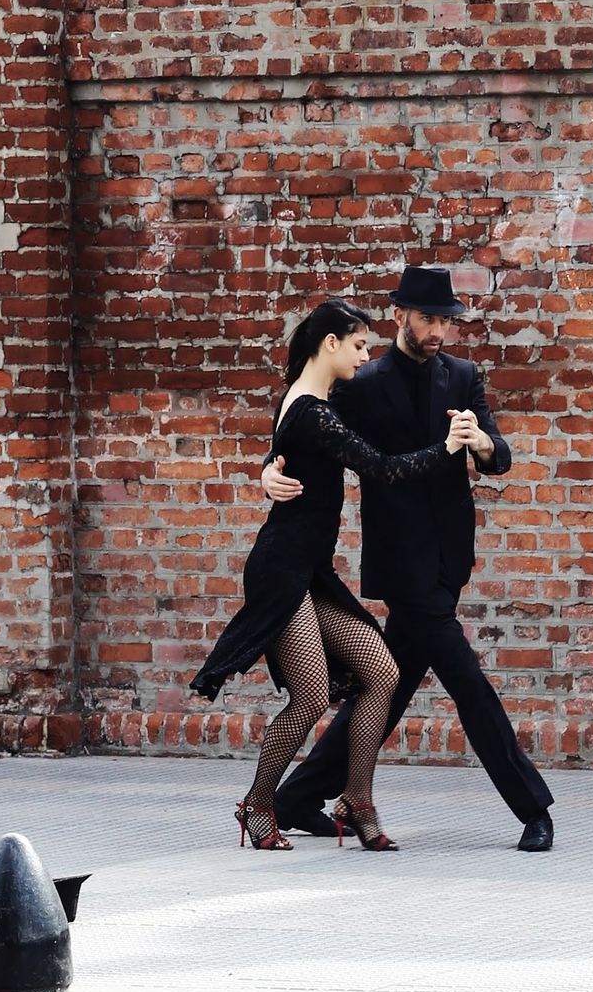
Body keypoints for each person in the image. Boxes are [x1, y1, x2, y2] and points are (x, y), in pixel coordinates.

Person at [262, 267, 556, 852]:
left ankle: (296, 797)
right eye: (428, 319)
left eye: (446, 319)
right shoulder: (363, 381)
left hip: (450, 557)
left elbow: (501, 458)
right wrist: (269, 467)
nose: (439, 330)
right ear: (401, 316)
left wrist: (483, 444)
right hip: (402, 561)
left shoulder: (464, 376)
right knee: (468, 684)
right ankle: (533, 807)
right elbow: (302, 421)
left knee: (386, 687)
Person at [191, 296, 484, 852]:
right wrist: (447, 449)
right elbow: (381, 468)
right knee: (310, 696)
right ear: (331, 344)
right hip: (283, 571)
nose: (364, 355)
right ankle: (257, 804)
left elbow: (283, 453)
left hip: (309, 571)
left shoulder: (310, 401)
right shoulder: (312, 411)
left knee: (381, 672)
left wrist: (264, 472)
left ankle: (356, 796)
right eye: (357, 345)